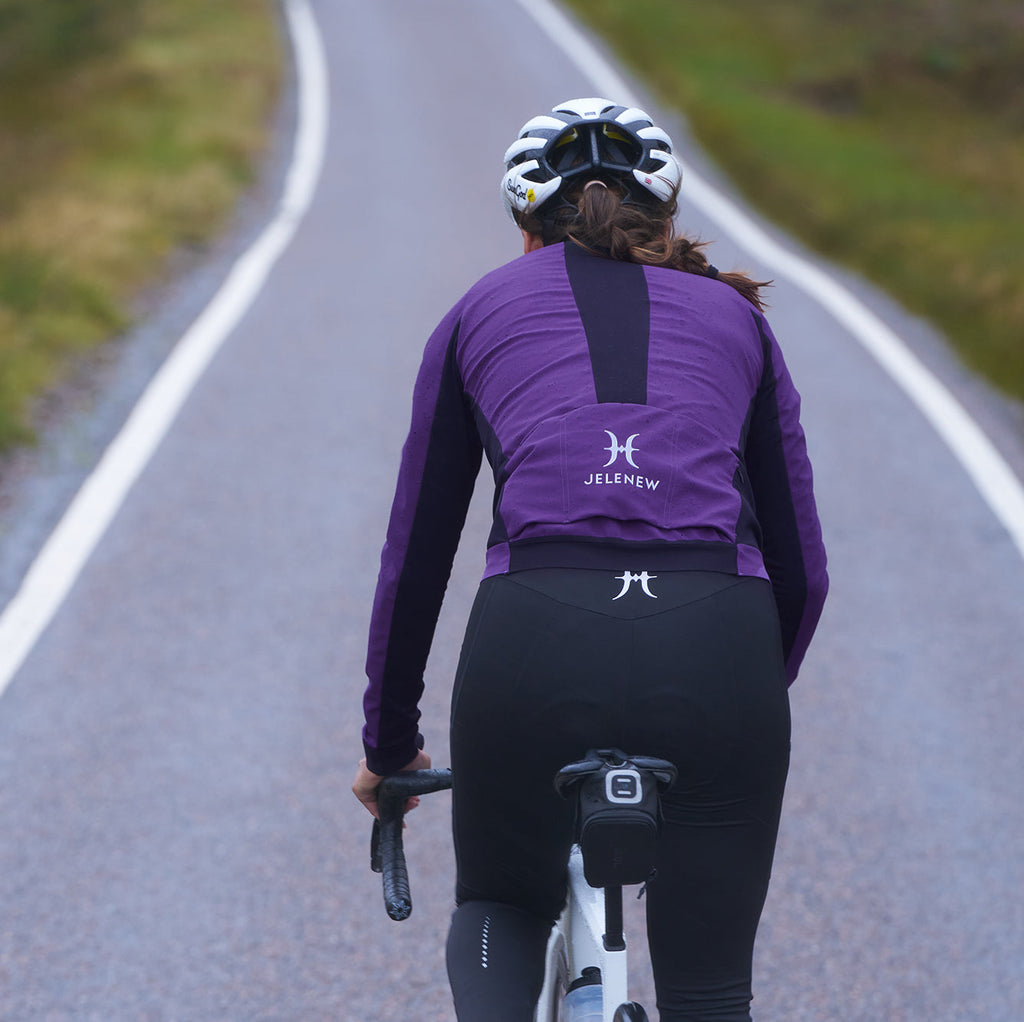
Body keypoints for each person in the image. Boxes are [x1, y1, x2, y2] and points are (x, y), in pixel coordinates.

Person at [352, 97, 828, 1021]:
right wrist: (744, 699)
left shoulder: (475, 311)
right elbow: (802, 566)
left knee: (500, 900)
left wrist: (389, 744)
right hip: (715, 646)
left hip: (534, 637)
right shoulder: (740, 323)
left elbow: (416, 555)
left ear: (528, 228)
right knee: (711, 984)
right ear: (667, 215)